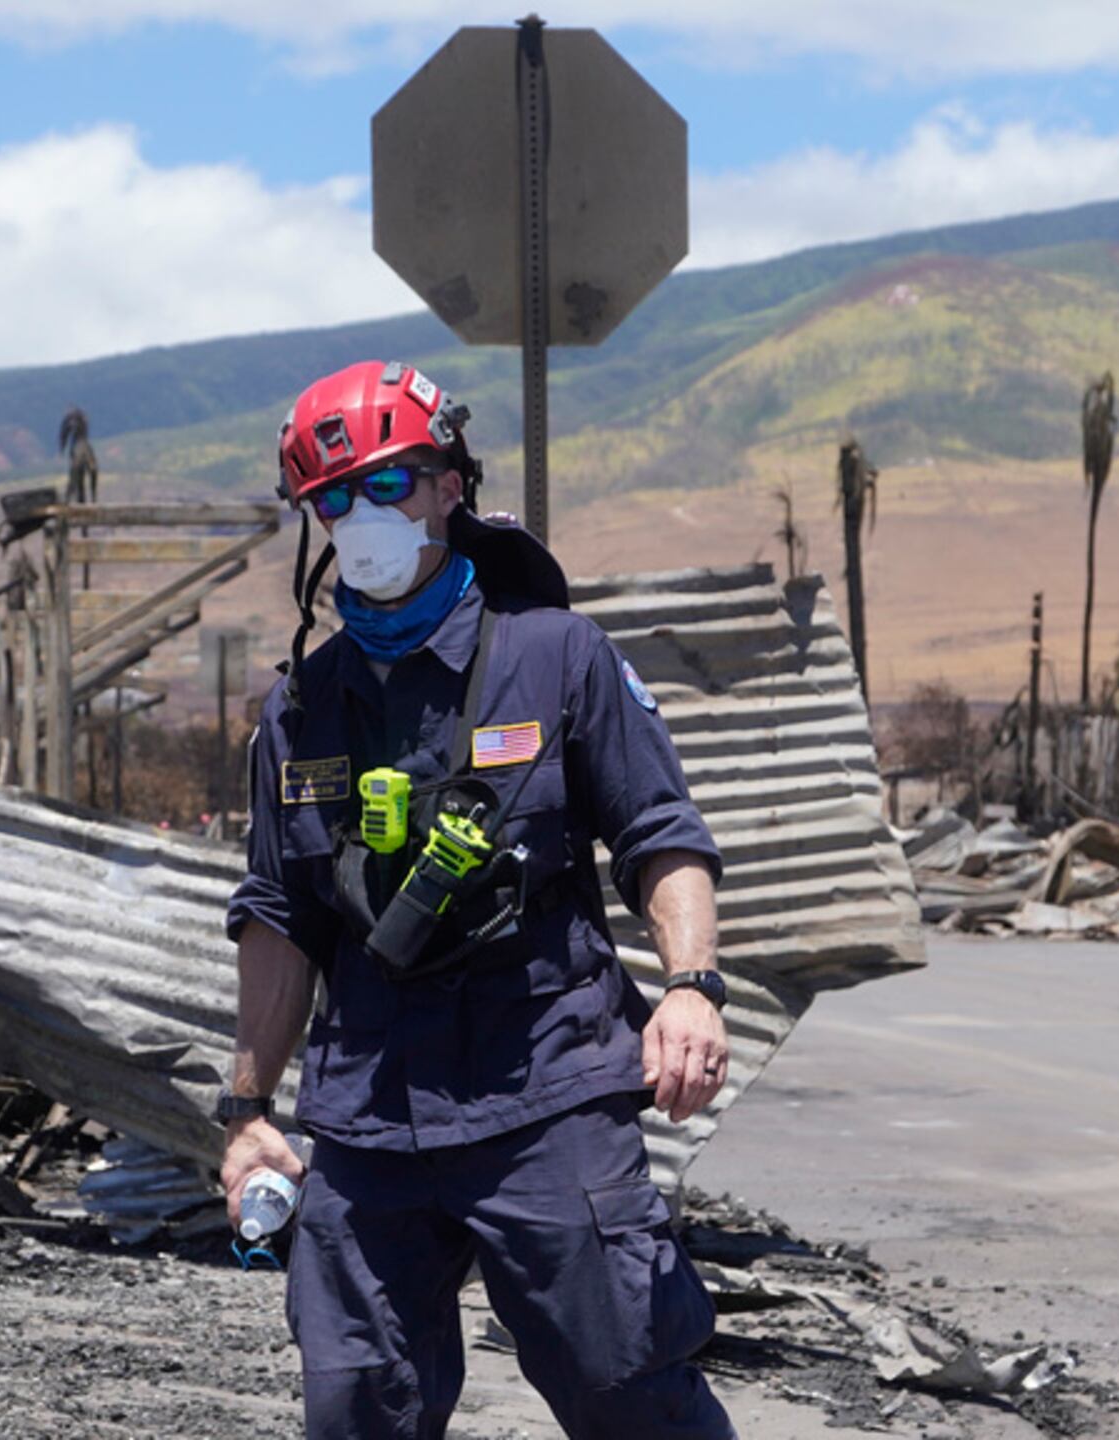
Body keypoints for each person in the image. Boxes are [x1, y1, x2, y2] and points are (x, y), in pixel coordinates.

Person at [218, 360, 737, 1439]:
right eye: (335, 499)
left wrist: (689, 988)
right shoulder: (300, 708)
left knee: (623, 1383)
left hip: (543, 1089)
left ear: (449, 485)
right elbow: (279, 913)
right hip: (366, 1115)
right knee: (358, 1407)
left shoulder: (557, 657)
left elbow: (659, 835)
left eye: (390, 483)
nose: (365, 518)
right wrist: (247, 1109)